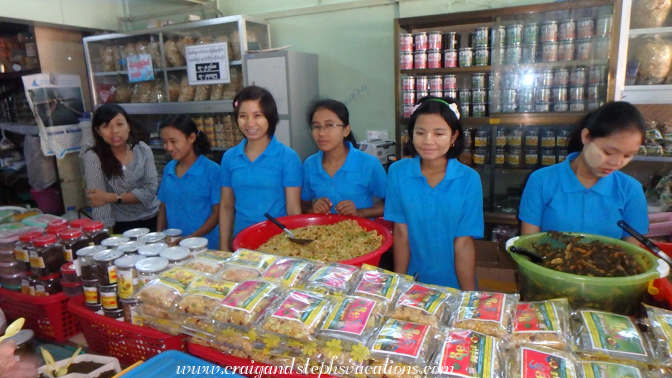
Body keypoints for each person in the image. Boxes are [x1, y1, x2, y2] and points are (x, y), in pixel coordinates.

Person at [384, 96, 483, 290]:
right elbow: (401, 233)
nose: (428, 141)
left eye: (439, 133)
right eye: (420, 132)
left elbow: (463, 243)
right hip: (413, 280)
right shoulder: (398, 172)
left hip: (454, 281)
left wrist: (468, 296)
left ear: (454, 136)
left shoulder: (468, 179)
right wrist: (399, 284)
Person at [519, 101, 648, 242]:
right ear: (586, 136)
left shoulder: (631, 190)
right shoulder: (541, 181)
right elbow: (529, 244)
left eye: (627, 156)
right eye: (608, 152)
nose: (616, 163)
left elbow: (633, 252)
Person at [219, 86, 302, 250]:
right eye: (243, 116)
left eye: (257, 116)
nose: (250, 123)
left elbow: (293, 209)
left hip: (278, 242)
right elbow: (227, 205)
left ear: (270, 118)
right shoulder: (229, 157)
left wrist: (296, 247)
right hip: (241, 240)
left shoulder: (288, 157)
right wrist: (223, 246)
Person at [301, 99, 387, 217]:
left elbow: (392, 204)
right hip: (322, 233)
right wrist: (313, 209)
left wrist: (359, 212)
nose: (321, 133)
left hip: (360, 233)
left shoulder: (368, 164)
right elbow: (303, 204)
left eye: (329, 125)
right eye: (316, 126)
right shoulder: (309, 165)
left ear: (346, 130)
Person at [84, 104, 160, 234]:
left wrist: (111, 197)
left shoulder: (143, 150)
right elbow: (98, 200)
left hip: (152, 218)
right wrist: (105, 235)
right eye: (106, 126)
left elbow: (150, 192)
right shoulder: (94, 157)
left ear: (128, 126)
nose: (114, 131)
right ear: (98, 131)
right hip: (119, 225)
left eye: (120, 124)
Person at [156, 115, 221, 249]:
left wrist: (189, 239)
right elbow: (163, 207)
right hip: (173, 245)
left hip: (204, 245)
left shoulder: (212, 171)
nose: (169, 147)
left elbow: (217, 214)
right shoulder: (169, 168)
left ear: (191, 138)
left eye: (174, 141)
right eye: (164, 142)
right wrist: (159, 236)